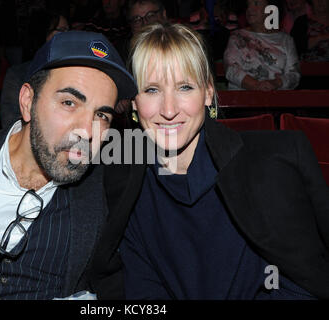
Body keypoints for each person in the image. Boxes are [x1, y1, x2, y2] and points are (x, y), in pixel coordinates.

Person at [90, 22, 329, 299]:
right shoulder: (125, 182)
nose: (169, 110)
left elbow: (303, 283)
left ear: (207, 93)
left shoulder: (269, 167)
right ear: (133, 103)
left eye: (185, 87)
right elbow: (142, 287)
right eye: (152, 90)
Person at [0, 30, 137, 299]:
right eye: (69, 102)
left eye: (101, 114)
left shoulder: (107, 190)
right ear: (27, 102)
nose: (87, 131)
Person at [0, 12, 70, 129]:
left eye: (69, 31)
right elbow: (10, 124)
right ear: (44, 34)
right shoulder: (18, 75)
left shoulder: (74, 72)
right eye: (62, 30)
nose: (68, 37)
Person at [223, 0, 301, 90]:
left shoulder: (285, 40)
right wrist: (256, 85)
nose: (249, 9)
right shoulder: (237, 37)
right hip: (242, 98)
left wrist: (276, 83)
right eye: (248, 5)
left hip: (277, 98)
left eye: (256, 3)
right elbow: (231, 68)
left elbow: (294, 74)